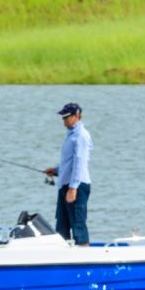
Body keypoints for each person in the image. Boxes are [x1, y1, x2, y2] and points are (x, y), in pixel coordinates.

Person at [44, 102, 92, 246]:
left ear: (76, 116)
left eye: (66, 117)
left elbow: (80, 163)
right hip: (65, 185)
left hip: (77, 186)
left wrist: (73, 188)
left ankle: (85, 257)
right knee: (61, 226)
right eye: (62, 118)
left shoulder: (81, 136)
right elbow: (69, 162)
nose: (63, 120)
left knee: (78, 225)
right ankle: (62, 259)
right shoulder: (71, 134)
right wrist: (56, 170)